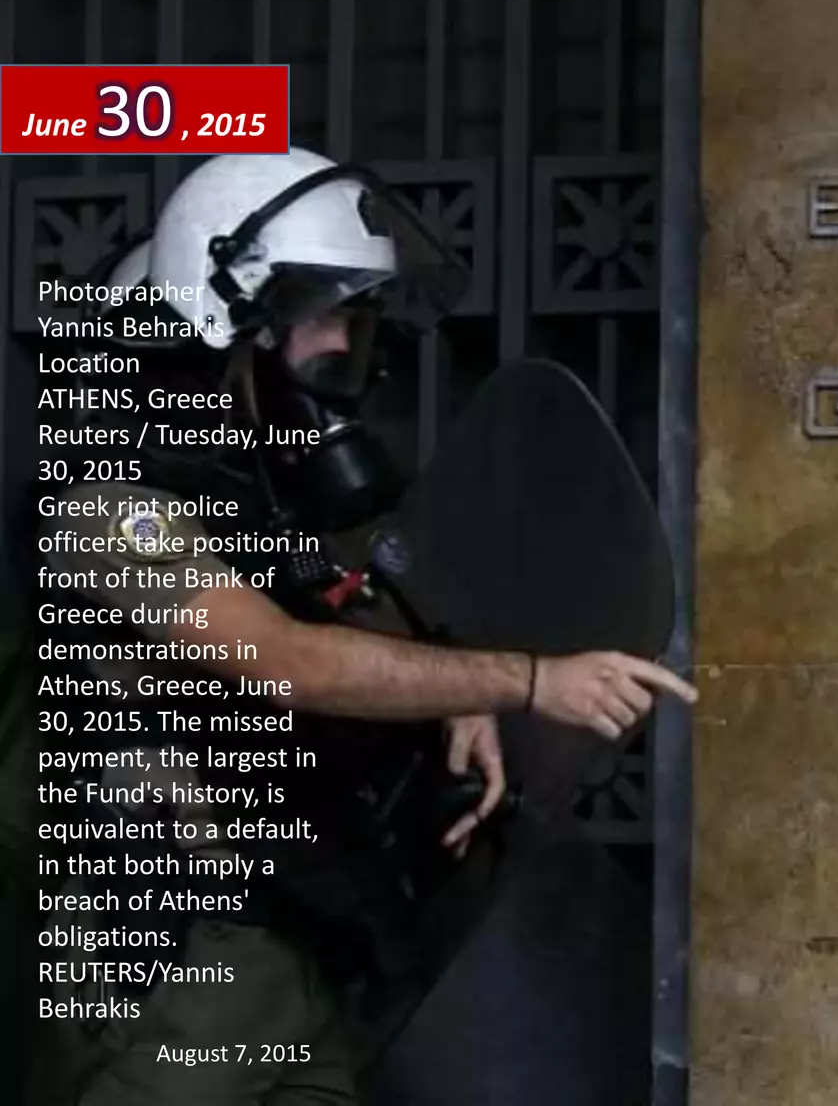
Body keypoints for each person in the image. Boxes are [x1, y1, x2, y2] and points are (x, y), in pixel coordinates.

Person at [28, 147, 694, 1105]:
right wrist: (529, 682)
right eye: (324, 314)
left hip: (311, 948)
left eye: (360, 316)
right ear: (234, 323)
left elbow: (360, 618)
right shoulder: (113, 507)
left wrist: (450, 695)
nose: (347, 345)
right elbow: (283, 658)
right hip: (176, 965)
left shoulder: (273, 499)